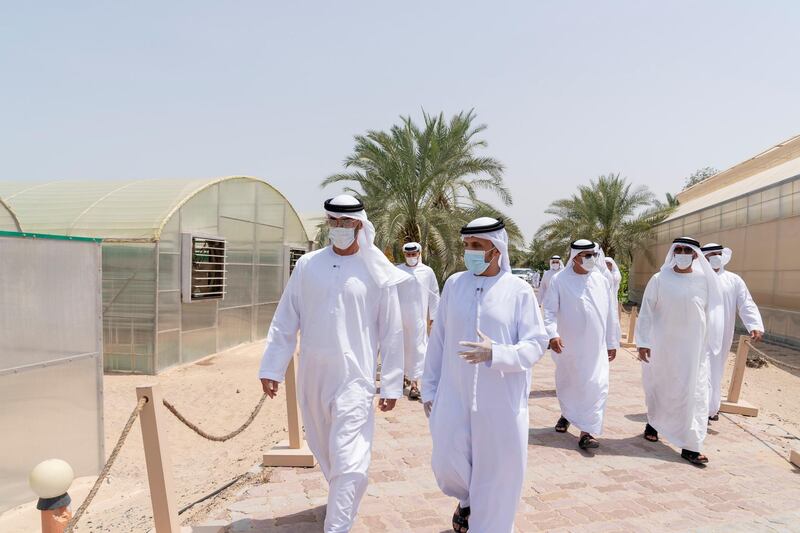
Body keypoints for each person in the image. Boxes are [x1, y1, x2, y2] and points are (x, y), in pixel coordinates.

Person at [258, 194, 408, 533]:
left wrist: (392, 383)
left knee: (349, 452)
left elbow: (392, 331)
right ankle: (345, 495)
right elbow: (286, 318)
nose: (339, 228)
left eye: (346, 222)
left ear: (360, 224)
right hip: (313, 375)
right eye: (334, 222)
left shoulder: (376, 269)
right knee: (326, 449)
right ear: (328, 223)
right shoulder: (308, 265)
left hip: (355, 378)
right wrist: (272, 367)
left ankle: (337, 525)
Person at [422, 217, 549, 533]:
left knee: (499, 476)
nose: (470, 252)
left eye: (477, 246)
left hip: (500, 403)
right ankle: (467, 501)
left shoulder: (518, 291)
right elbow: (438, 341)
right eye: (466, 246)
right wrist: (430, 389)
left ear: (497, 250)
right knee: (447, 462)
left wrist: (498, 353)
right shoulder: (454, 284)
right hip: (454, 395)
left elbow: (536, 344)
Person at [635, 236, 723, 465]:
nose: (683, 253)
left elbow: (713, 312)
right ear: (673, 252)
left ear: (696, 254)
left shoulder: (705, 280)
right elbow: (646, 311)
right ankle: (653, 423)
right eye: (679, 249)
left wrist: (713, 340)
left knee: (694, 393)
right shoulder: (659, 279)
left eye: (687, 250)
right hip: (662, 347)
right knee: (660, 387)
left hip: (693, 351)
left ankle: (690, 445)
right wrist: (643, 342)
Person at [543, 239, 619, 450]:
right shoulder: (559, 280)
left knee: (597, 385)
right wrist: (552, 334)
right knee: (570, 384)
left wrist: (612, 341)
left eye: (593, 255)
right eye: (586, 255)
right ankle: (567, 414)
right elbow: (548, 311)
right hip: (569, 347)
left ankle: (587, 432)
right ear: (574, 257)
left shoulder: (602, 280)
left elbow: (612, 311)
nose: (591, 259)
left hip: (596, 348)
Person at [700, 243, 764, 421]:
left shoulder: (733, 280)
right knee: (698, 371)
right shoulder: (696, 278)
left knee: (715, 370)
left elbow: (746, 303)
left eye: (718, 253)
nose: (716, 257)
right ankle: (698, 408)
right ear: (703, 257)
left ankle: (711, 408)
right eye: (711, 254)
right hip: (697, 333)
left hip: (722, 335)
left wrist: (754, 325)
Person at [396, 241, 440, 400]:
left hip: (418, 320)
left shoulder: (427, 272)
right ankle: (401, 378)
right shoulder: (397, 271)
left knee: (417, 350)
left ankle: (414, 385)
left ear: (419, 254)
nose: (411, 257)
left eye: (413, 254)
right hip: (399, 319)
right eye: (408, 254)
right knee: (400, 349)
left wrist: (434, 317)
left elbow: (434, 294)